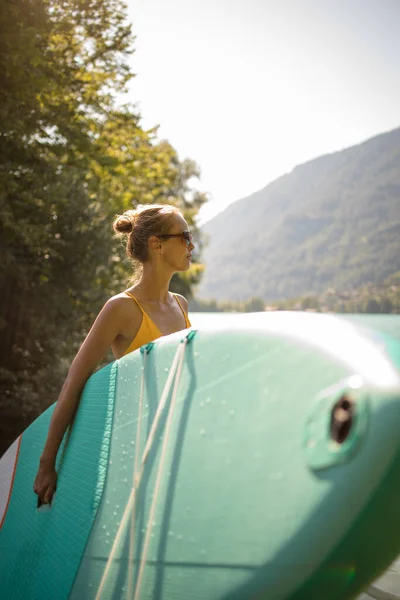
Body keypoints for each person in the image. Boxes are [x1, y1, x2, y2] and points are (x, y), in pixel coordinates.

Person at [33, 204, 194, 505]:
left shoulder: (181, 305)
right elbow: (74, 383)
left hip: (176, 443)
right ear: (156, 244)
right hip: (135, 450)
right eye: (184, 236)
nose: (191, 244)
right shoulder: (121, 308)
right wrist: (47, 463)